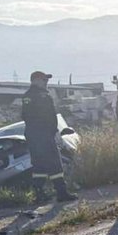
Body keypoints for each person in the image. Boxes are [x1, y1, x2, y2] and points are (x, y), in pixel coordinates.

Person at [21, 71, 77, 202]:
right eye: (44, 80)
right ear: (35, 80)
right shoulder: (41, 96)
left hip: (33, 134)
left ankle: (39, 194)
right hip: (43, 134)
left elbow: (25, 116)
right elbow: (47, 116)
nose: (46, 83)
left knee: (39, 165)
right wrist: (51, 131)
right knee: (55, 163)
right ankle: (61, 193)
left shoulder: (27, 96)